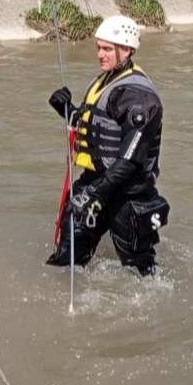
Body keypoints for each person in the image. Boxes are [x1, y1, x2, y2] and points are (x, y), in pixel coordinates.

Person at [46, 15, 170, 276]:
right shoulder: (106, 81)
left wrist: (92, 195)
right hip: (98, 180)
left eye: (106, 49)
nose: (100, 54)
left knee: (141, 273)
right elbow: (96, 129)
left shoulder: (138, 96)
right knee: (66, 259)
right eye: (98, 47)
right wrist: (67, 110)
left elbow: (129, 161)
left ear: (126, 50)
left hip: (128, 192)